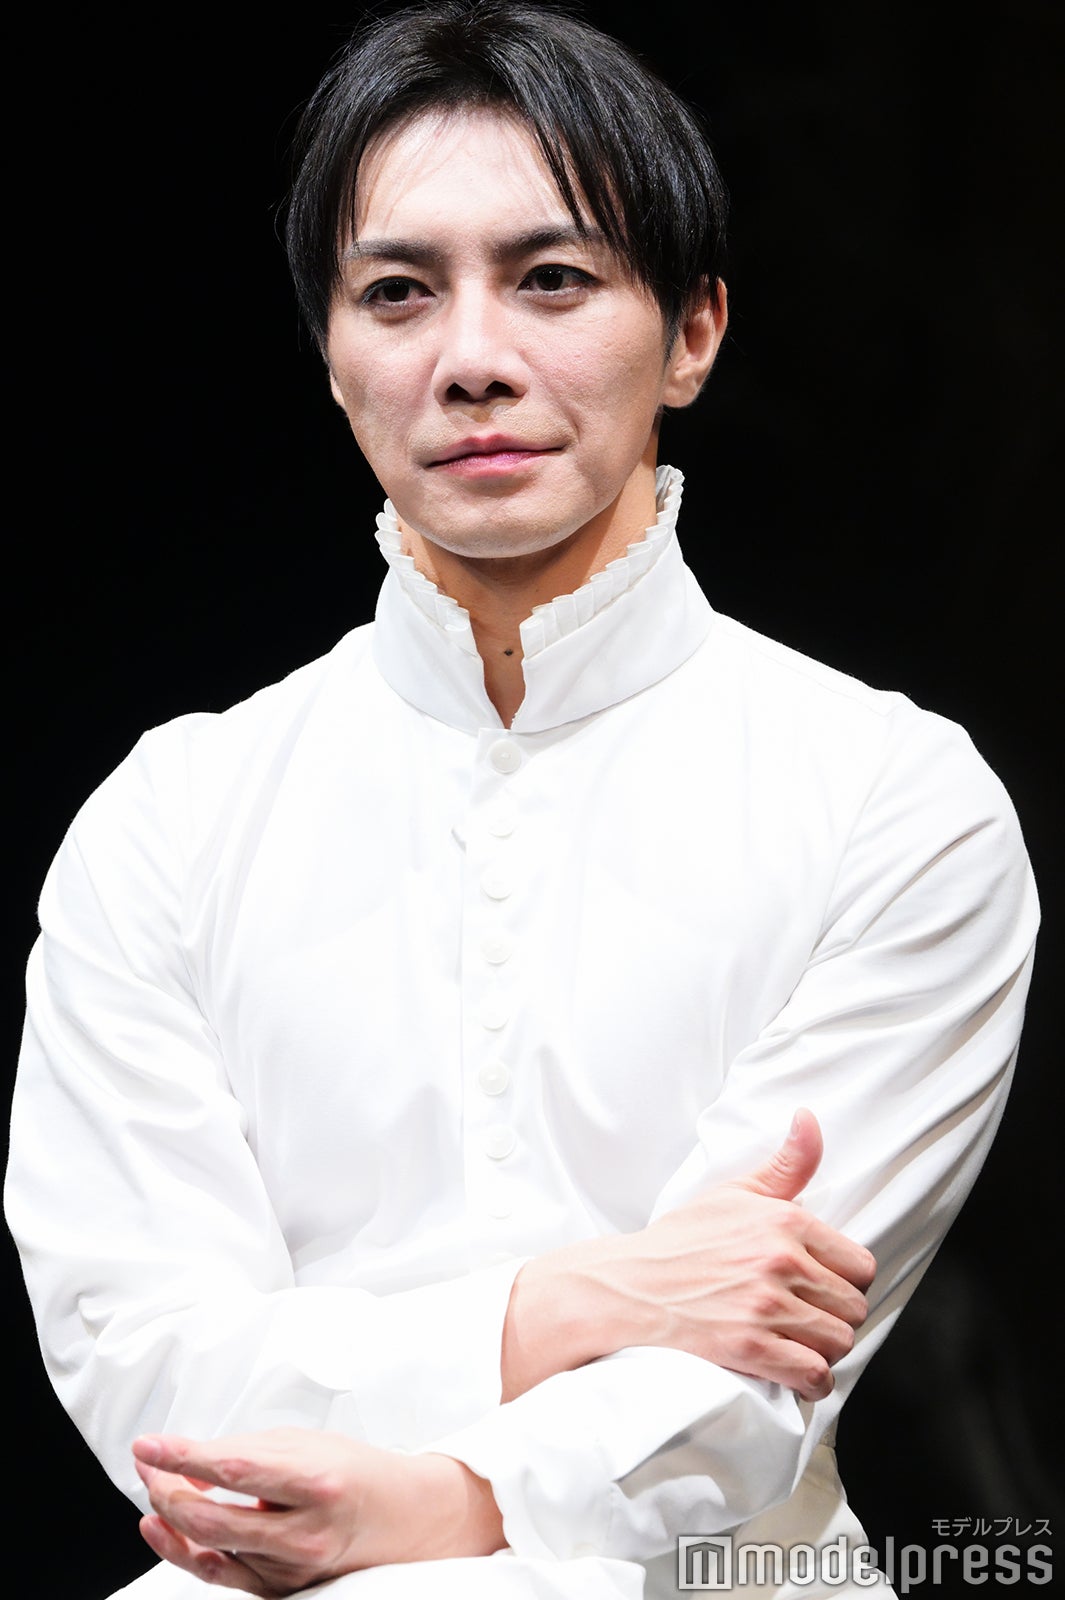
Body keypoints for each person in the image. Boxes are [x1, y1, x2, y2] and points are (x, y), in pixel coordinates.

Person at [5, 3, 1038, 1597]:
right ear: (331, 356)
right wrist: (557, 1308)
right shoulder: (170, 820)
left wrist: (444, 1508)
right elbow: (146, 1363)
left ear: (691, 333)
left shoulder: (892, 801)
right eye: (397, 292)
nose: (471, 358)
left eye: (551, 278)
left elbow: (753, 1364)